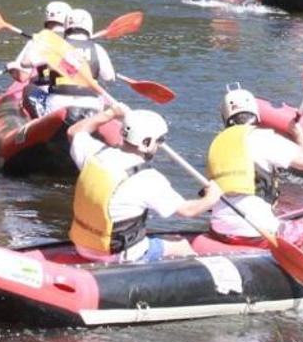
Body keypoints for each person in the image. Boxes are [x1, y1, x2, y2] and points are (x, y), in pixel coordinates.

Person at [67, 105, 220, 263]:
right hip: (116, 254)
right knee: (180, 245)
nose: (160, 145)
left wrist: (110, 113)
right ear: (146, 143)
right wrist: (211, 197)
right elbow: (188, 211)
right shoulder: (147, 178)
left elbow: (74, 131)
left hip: (82, 246)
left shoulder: (95, 153)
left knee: (161, 235)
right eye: (159, 140)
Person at [205, 86, 303, 247]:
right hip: (255, 232)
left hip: (218, 229)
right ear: (255, 112)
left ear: (225, 116)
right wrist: (298, 134)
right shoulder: (263, 138)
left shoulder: (217, 143)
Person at [47, 8, 116, 117]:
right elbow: (109, 79)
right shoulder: (98, 49)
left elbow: (38, 71)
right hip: (90, 104)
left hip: (58, 103)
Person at [11, 1, 72, 115]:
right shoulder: (78, 42)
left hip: (51, 96)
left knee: (28, 88)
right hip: (79, 96)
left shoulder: (37, 41)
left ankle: (36, 116)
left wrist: (12, 69)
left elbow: (22, 76)